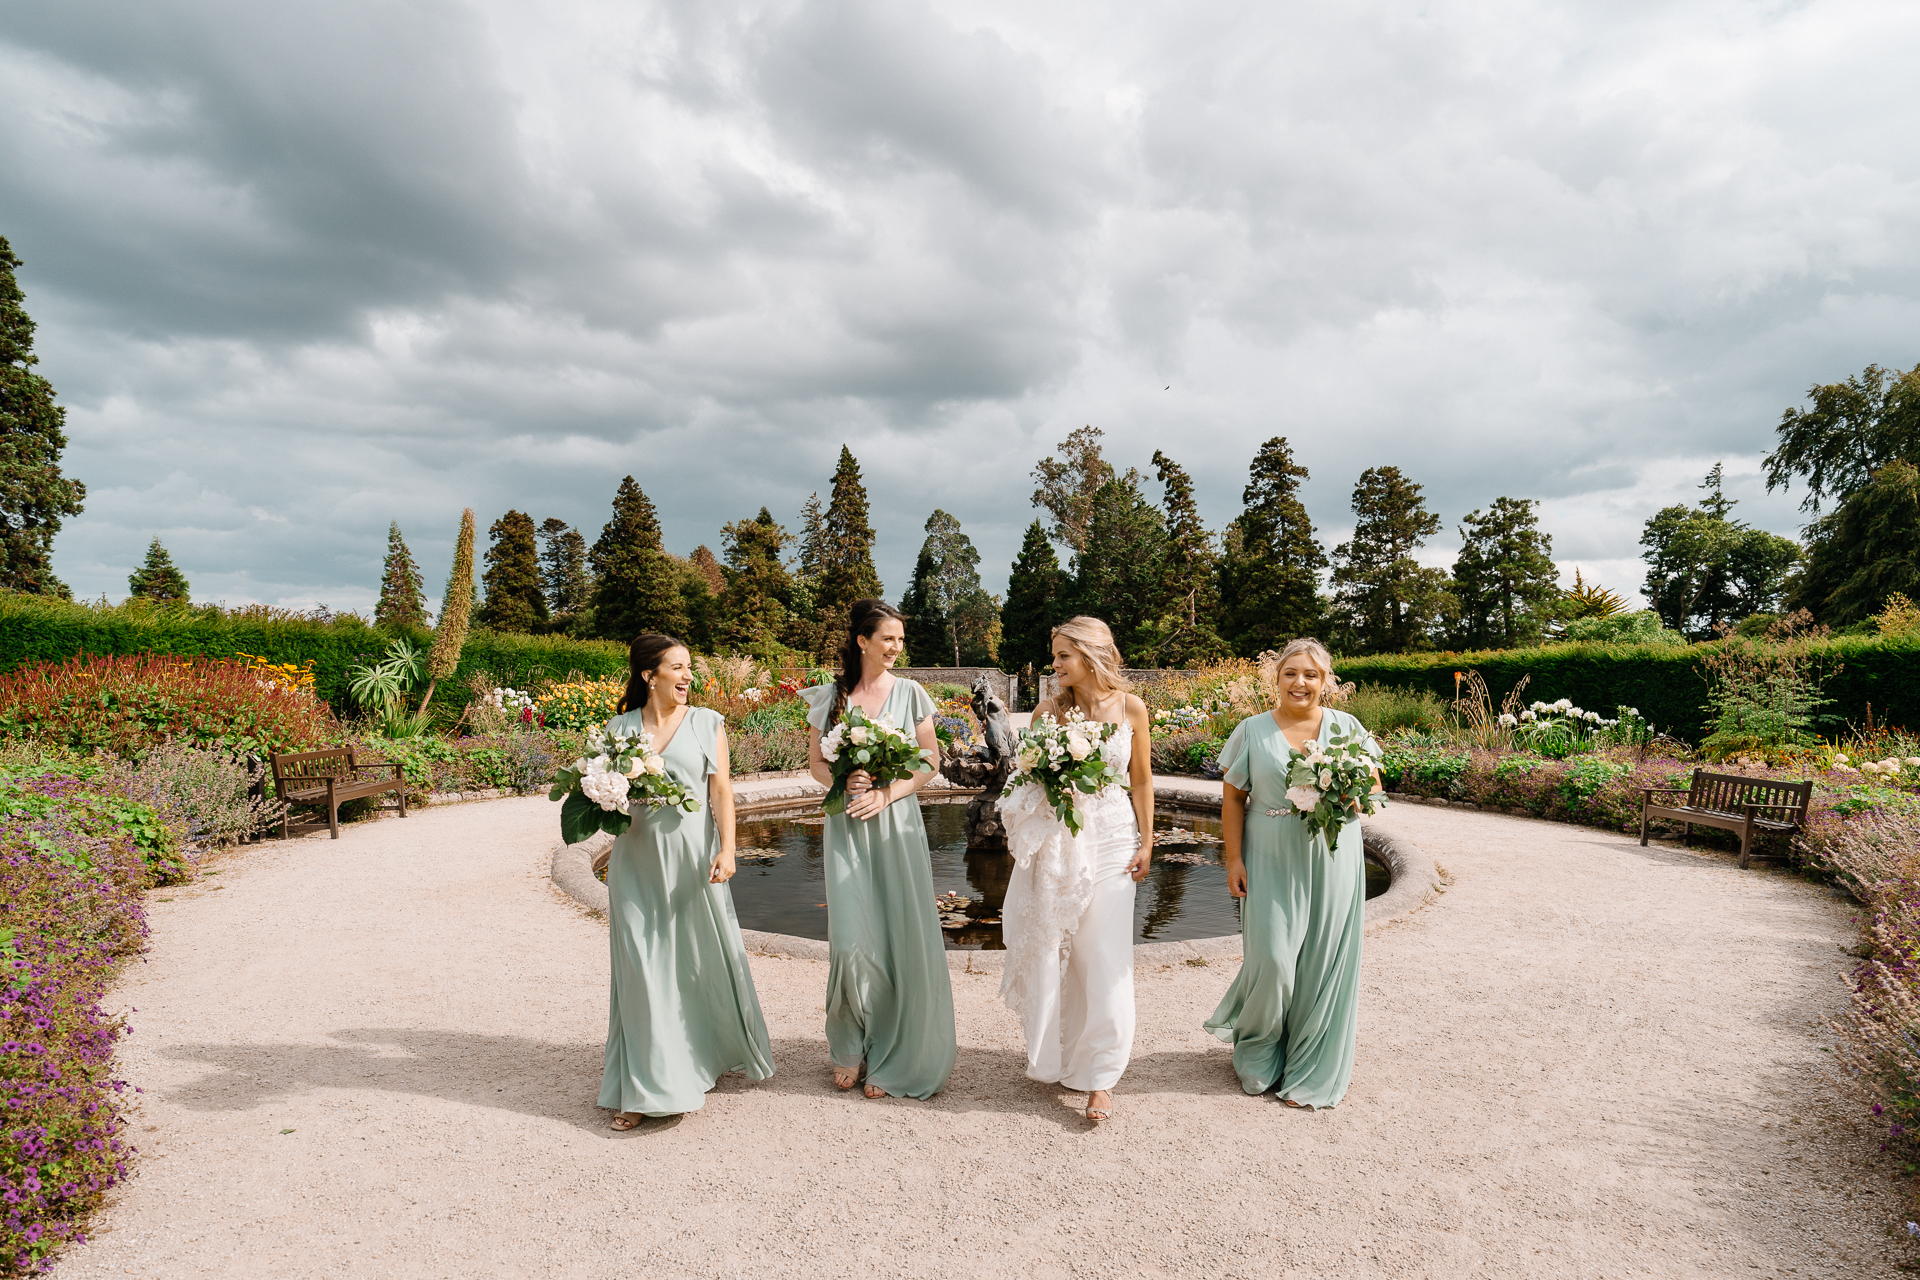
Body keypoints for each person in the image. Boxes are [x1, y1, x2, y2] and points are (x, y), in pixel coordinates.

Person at [601, 633, 775, 1129]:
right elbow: (606, 792)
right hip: (635, 864)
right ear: (648, 675)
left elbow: (721, 789)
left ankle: (701, 1056)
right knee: (641, 971)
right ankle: (642, 1088)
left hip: (693, 863)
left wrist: (728, 848)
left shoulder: (707, 722)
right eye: (677, 667)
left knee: (695, 963)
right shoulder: (619, 728)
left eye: (689, 667)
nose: (687, 676)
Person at [1204, 637, 1381, 1110]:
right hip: (1270, 855)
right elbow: (1232, 799)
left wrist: (1348, 791)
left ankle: (1310, 1059)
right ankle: (1259, 1046)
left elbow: (1374, 788)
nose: (1299, 683)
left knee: (1323, 961)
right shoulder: (1251, 730)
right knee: (1275, 958)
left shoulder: (1348, 728)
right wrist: (1234, 859)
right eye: (1290, 674)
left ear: (1326, 682)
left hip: (1333, 854)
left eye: (1310, 675)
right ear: (1276, 679)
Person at [802, 599, 957, 1100]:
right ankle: (850, 1042)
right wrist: (843, 779)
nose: (896, 647)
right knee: (850, 942)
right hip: (847, 826)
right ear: (862, 640)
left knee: (899, 935)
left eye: (900, 639)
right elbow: (815, 765)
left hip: (897, 827)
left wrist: (888, 793)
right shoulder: (832, 696)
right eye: (887, 638)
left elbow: (931, 761)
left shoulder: (911, 692)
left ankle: (894, 1049)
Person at [1000, 616, 1152, 1124]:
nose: (1056, 664)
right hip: (1062, 841)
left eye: (1063, 655)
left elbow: (1142, 783)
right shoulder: (1048, 712)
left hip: (1112, 839)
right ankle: (1062, 1055)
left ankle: (1101, 1077)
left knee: (1103, 953)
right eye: (1055, 655)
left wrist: (1147, 841)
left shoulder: (1131, 707)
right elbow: (1027, 781)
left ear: (1090, 655)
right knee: (1057, 950)